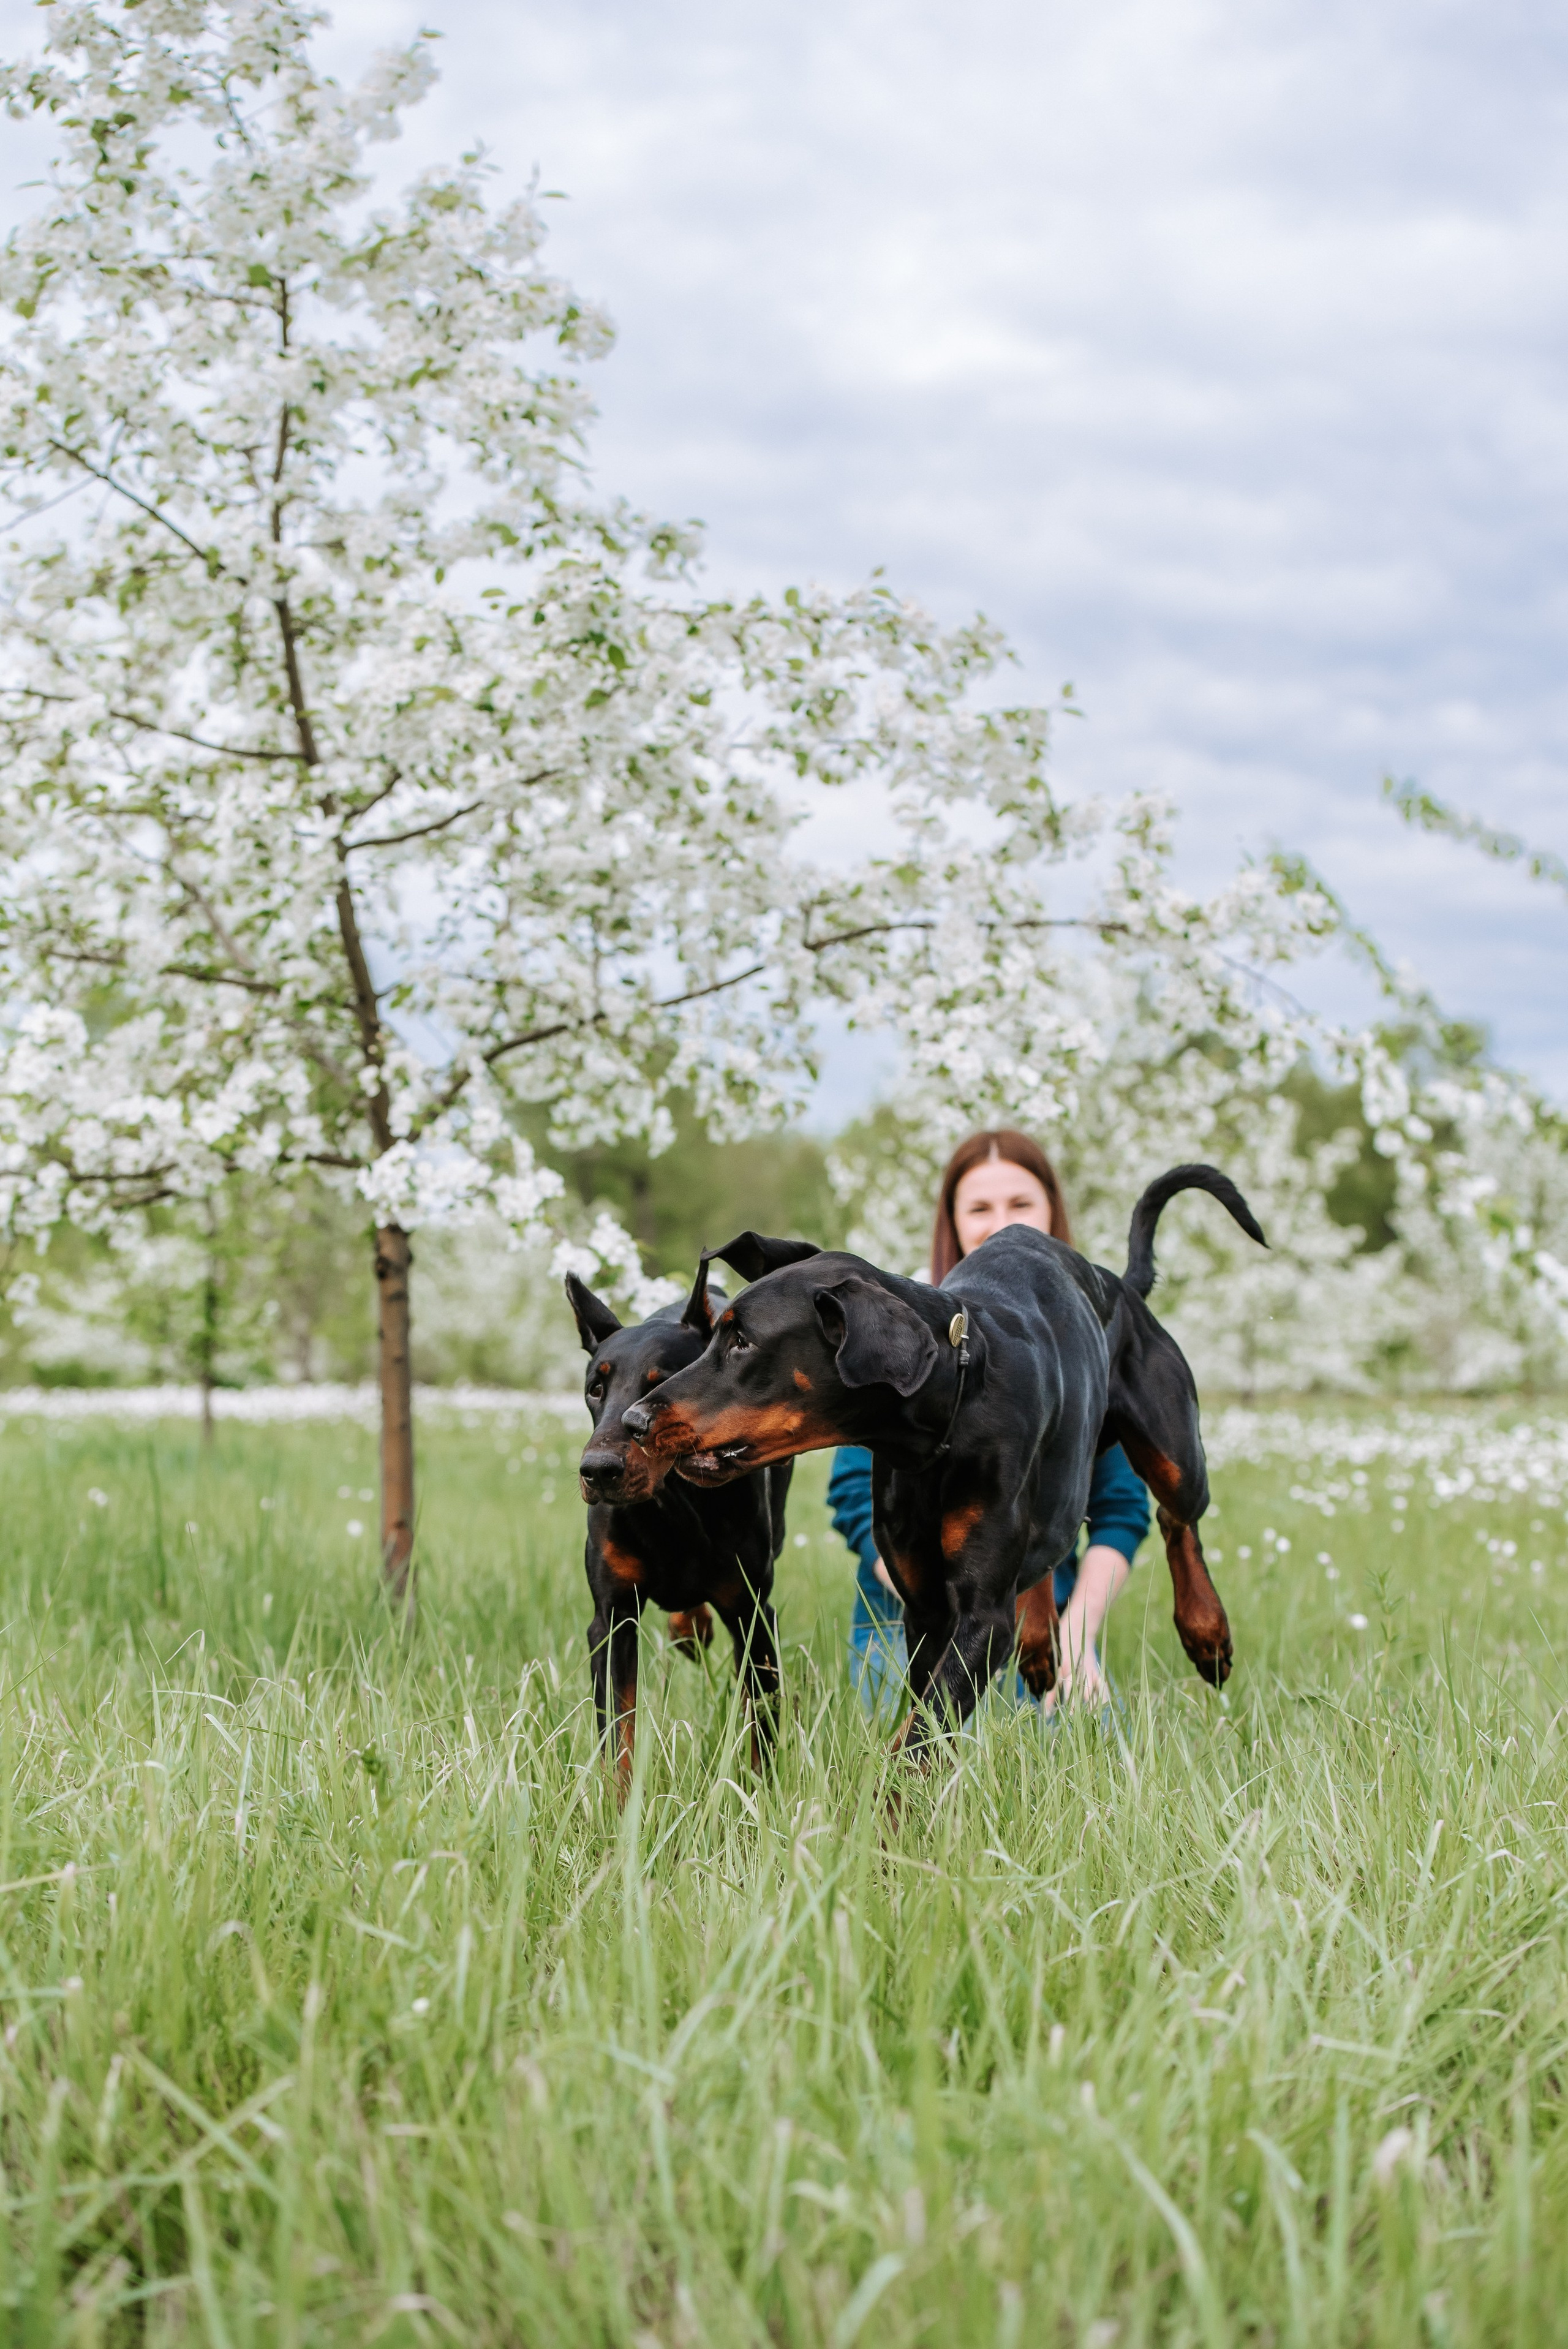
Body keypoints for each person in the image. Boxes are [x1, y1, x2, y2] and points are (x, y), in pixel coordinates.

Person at [827, 1129, 1150, 1718]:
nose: (1001, 1222)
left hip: (1041, 1625)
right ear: (951, 1220)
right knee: (918, 1756)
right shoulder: (890, 1328)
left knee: (1091, 1748)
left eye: (1020, 1203)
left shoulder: (1086, 1333)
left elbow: (1121, 1507)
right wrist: (950, 1611)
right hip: (908, 1617)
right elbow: (853, 1491)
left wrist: (1077, 1640)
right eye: (979, 1207)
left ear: (1051, 1212)